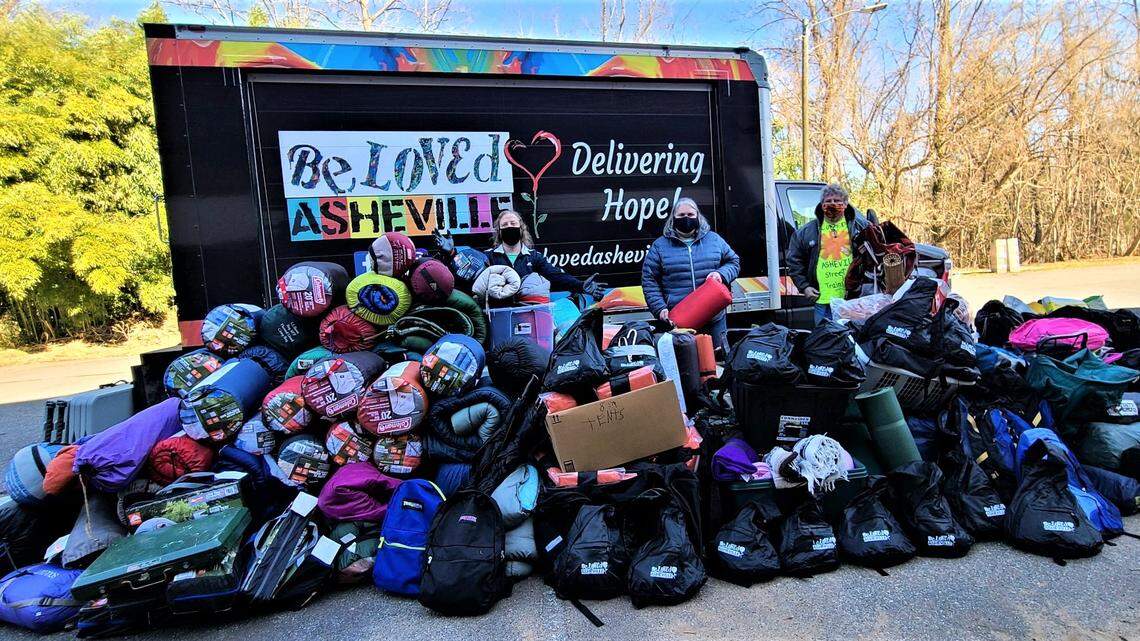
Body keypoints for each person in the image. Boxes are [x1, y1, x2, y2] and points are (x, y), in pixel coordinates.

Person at [641, 197, 740, 350]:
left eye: (690, 214)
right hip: (680, 321)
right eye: (681, 215)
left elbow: (733, 262)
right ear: (673, 218)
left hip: (714, 318)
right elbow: (649, 281)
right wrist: (660, 308)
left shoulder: (714, 240)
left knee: (715, 365)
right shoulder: (660, 246)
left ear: (698, 216)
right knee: (686, 366)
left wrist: (720, 274)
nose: (686, 218)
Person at [786, 183, 870, 323]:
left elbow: (878, 253)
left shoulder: (862, 227)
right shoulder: (805, 232)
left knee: (853, 341)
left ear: (845, 203)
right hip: (822, 302)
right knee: (825, 342)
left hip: (853, 301)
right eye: (828, 201)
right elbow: (794, 262)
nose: (833, 204)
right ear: (822, 204)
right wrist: (805, 287)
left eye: (837, 201)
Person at [484, 210, 607, 299]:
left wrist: (581, 285)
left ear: (521, 228)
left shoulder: (534, 256)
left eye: (513, 223)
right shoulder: (488, 257)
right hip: (498, 313)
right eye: (505, 225)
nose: (509, 227)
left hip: (530, 311)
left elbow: (556, 275)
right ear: (499, 232)